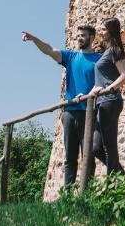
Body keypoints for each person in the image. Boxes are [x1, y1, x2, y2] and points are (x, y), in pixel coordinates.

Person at [22, 25, 101, 188]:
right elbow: (49, 50)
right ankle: (68, 194)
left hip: (90, 112)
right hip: (70, 113)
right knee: (70, 157)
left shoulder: (99, 60)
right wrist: (35, 39)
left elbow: (104, 82)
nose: (79, 38)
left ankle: (88, 193)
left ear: (92, 37)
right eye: (78, 35)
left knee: (88, 156)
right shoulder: (71, 57)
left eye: (83, 35)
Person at [88, 18, 125, 175]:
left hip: (111, 101)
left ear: (111, 31)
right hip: (102, 102)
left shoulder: (114, 50)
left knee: (109, 147)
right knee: (96, 147)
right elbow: (100, 82)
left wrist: (110, 89)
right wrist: (86, 95)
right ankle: (123, 178)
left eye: (104, 30)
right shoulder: (106, 52)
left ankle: (113, 188)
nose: (101, 32)